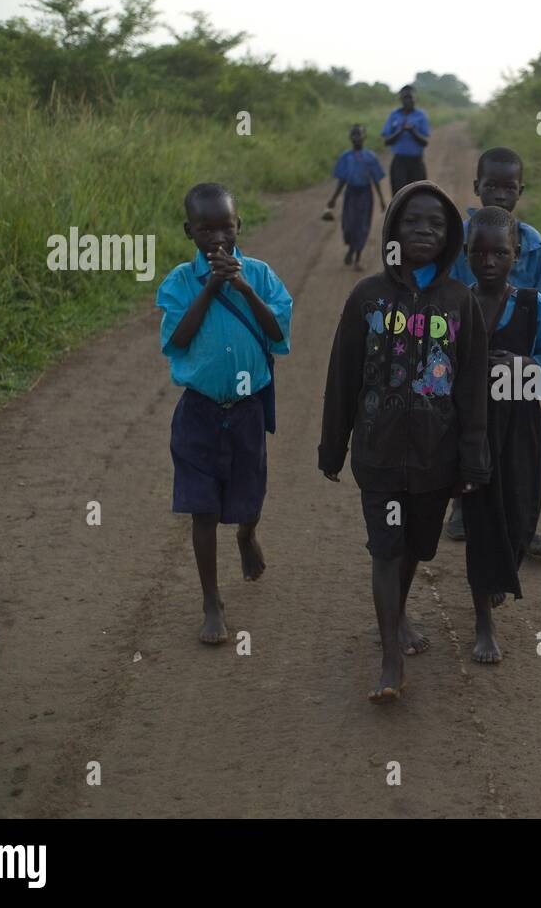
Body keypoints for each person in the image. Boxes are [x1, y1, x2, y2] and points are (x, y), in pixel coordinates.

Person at [319, 180, 490, 702]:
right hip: (378, 454)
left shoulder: (460, 302)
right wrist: (333, 446)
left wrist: (472, 457)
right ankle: (391, 658)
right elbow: (342, 377)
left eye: (436, 225)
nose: (424, 231)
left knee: (416, 546)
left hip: (436, 460)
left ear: (450, 239)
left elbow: (471, 386)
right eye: (412, 221)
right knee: (386, 550)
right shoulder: (366, 298)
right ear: (392, 229)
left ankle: (397, 613)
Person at [156, 183, 294, 645]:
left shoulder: (259, 273)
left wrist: (242, 287)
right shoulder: (178, 282)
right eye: (205, 229)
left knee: (249, 496)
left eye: (225, 227)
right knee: (203, 508)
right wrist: (210, 287)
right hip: (199, 411)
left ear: (239, 226)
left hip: (248, 409)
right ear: (188, 231)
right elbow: (177, 340)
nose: (217, 238)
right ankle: (211, 601)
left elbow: (277, 335)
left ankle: (247, 535)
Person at [461, 206, 541, 663]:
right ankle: (483, 620)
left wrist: (525, 366)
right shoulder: (455, 304)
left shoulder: (531, 306)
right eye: (478, 252)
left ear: (517, 254)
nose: (488, 261)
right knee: (482, 520)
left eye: (499, 252)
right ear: (465, 254)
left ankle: (504, 567)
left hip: (521, 427)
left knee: (521, 516)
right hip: (472, 431)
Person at [446, 147, 541, 557]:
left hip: (516, 363)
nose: (498, 193)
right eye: (490, 185)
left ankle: (523, 524)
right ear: (476, 187)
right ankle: (463, 507)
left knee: (518, 448)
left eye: (508, 186)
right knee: (469, 431)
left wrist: (531, 364)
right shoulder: (463, 240)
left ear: (520, 190)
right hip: (473, 346)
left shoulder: (533, 244)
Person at [325, 124, 386, 269]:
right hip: (351, 194)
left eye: (359, 135)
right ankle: (351, 249)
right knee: (349, 225)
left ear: (364, 137)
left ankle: (357, 258)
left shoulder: (370, 157)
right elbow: (342, 180)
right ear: (350, 138)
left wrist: (382, 199)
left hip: (365, 194)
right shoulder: (345, 157)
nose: (357, 138)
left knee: (362, 226)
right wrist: (333, 198)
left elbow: (376, 180)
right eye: (354, 135)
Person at [381, 85, 430, 196]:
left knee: (419, 195)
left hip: (417, 162)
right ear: (400, 99)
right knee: (399, 196)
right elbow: (387, 142)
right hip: (399, 162)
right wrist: (400, 130)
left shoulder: (421, 115)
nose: (408, 100)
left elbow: (425, 142)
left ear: (415, 99)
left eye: (410, 97)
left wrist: (412, 131)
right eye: (405, 97)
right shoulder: (394, 115)